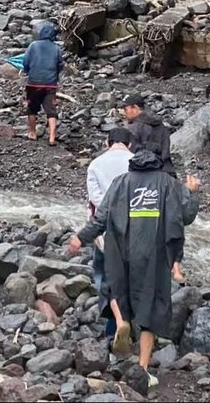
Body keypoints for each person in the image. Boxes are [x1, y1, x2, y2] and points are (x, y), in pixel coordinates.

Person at [69, 146, 201, 387]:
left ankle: (122, 322)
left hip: (123, 249)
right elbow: (186, 216)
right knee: (151, 306)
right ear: (156, 165)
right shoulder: (168, 183)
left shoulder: (121, 182)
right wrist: (193, 193)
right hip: (155, 254)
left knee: (115, 287)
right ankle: (142, 368)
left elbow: (101, 218)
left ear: (134, 165)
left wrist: (80, 237)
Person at [86, 127, 134, 340]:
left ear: (107, 142)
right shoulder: (136, 162)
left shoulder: (96, 164)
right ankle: (130, 319)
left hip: (104, 228)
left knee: (103, 273)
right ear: (129, 144)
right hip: (133, 226)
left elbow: (95, 198)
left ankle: (112, 325)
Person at [22, 22, 63, 146]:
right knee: (51, 110)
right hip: (50, 84)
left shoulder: (33, 45)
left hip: (34, 83)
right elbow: (60, 65)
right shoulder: (56, 48)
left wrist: (28, 71)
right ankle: (51, 137)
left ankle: (33, 133)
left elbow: (26, 62)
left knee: (32, 108)